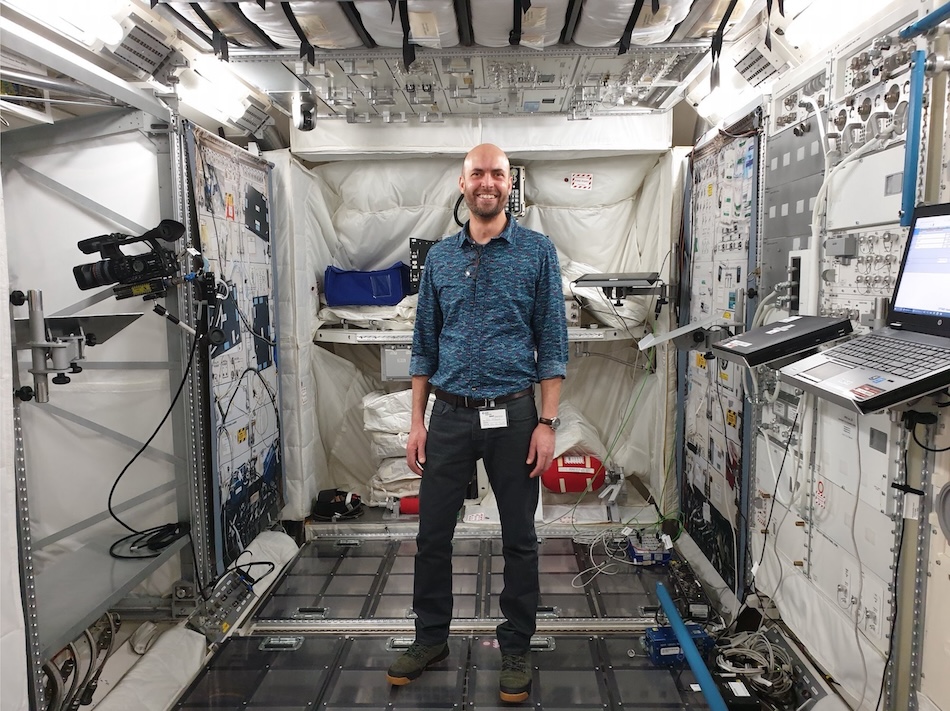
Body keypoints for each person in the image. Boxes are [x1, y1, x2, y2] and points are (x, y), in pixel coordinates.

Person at [385, 143, 569, 703]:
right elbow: (423, 346)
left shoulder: (538, 253)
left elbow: (553, 345)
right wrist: (417, 422)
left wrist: (546, 423)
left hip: (515, 415)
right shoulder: (440, 258)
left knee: (520, 538)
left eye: (497, 174)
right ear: (462, 184)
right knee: (432, 535)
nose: (487, 183)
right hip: (449, 415)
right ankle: (430, 638)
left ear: (509, 184)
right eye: (477, 174)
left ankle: (515, 645)